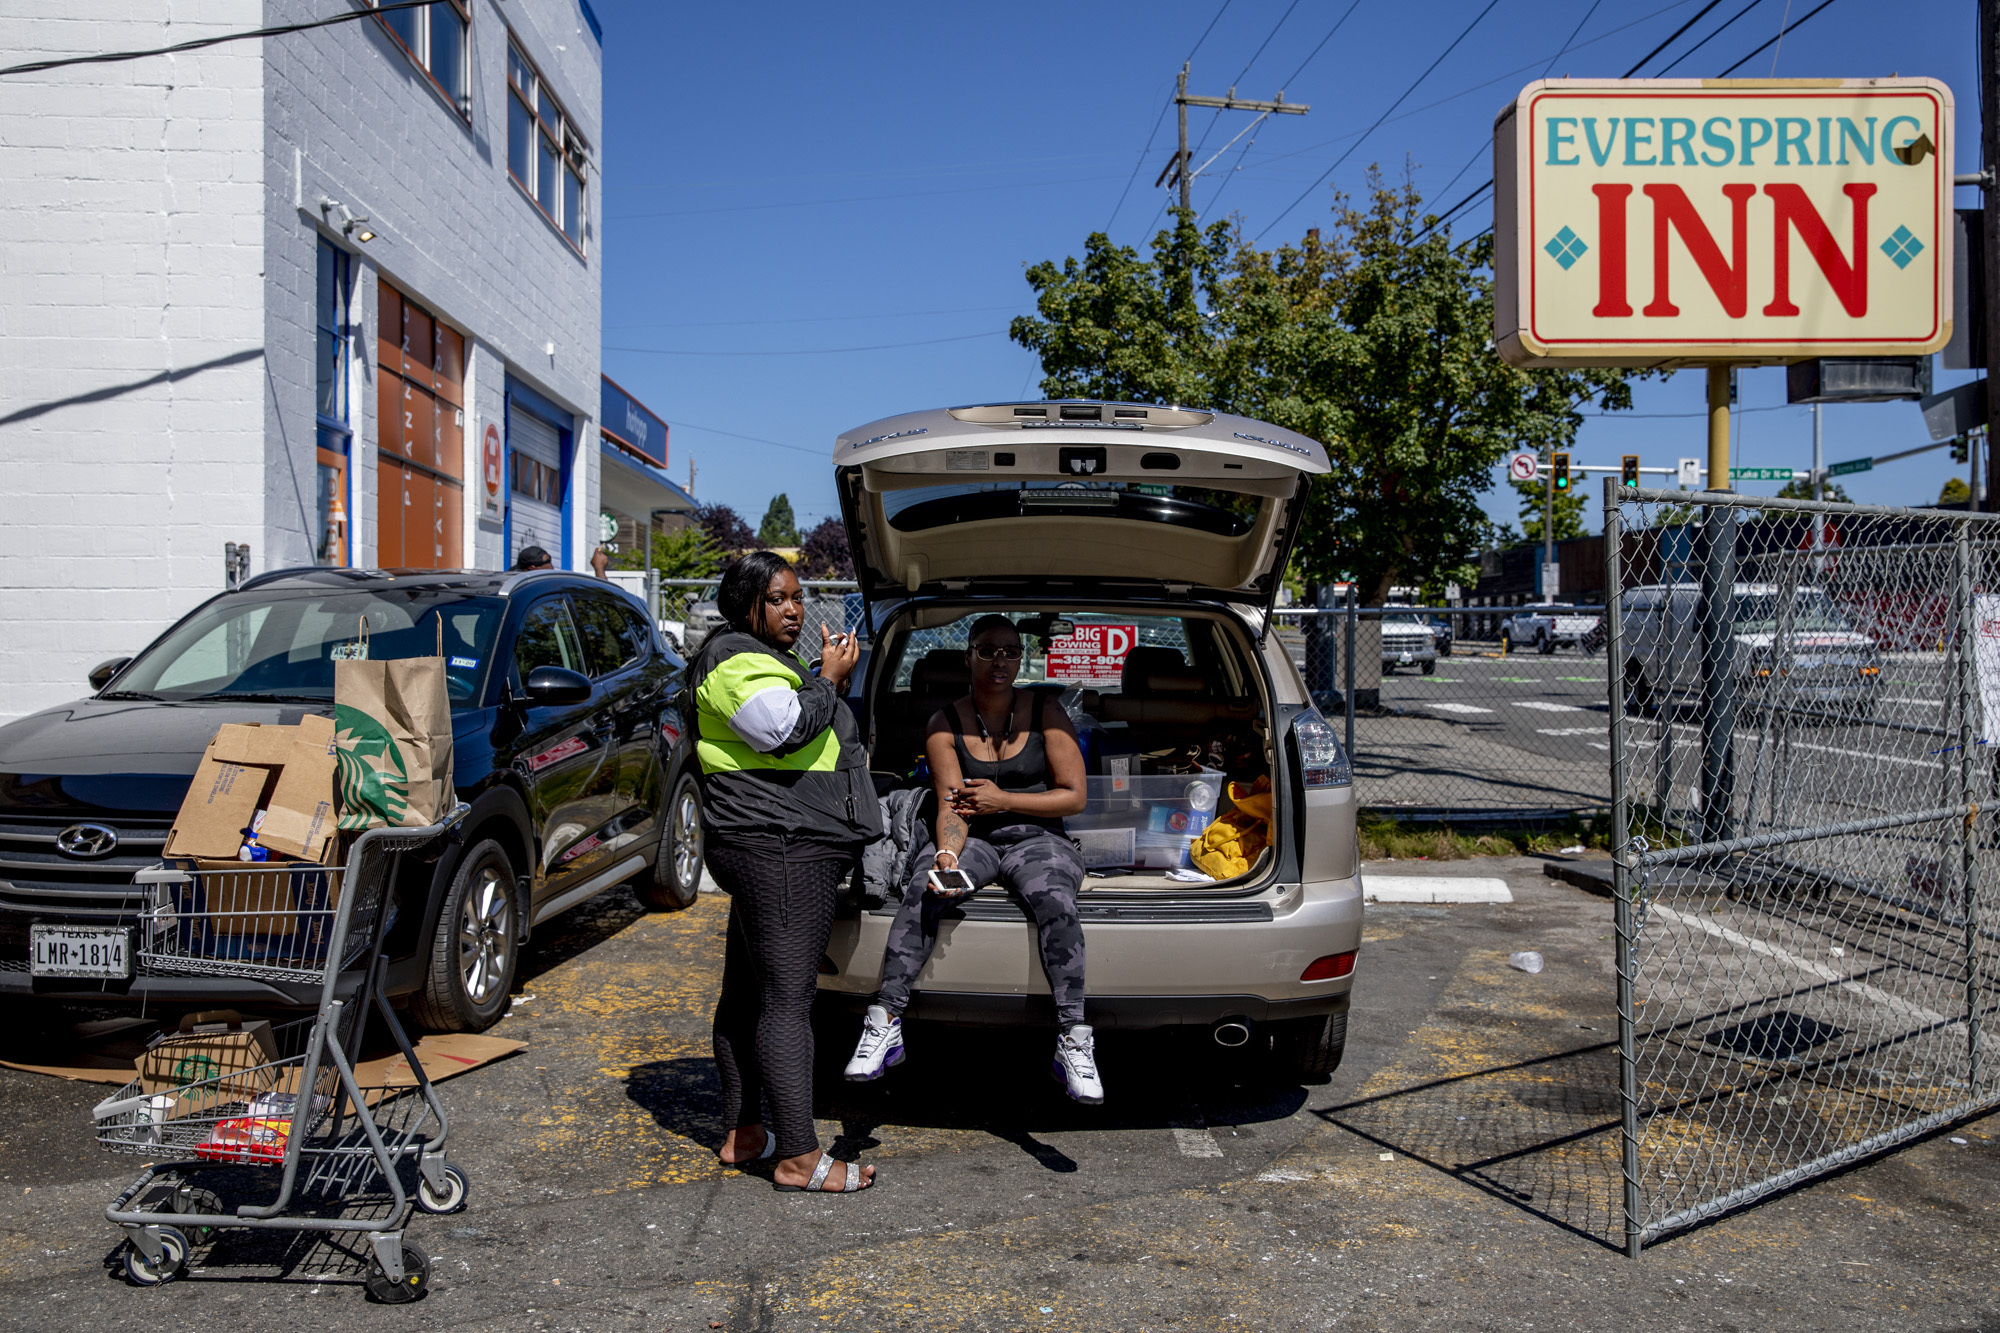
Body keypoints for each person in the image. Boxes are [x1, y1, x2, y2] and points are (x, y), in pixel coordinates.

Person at [844, 614, 1101, 1103]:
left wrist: (1005, 801)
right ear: (969, 657)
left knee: (1056, 900)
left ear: (1021, 659)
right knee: (925, 887)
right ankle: (885, 1022)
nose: (999, 660)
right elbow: (950, 805)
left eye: (1009, 651)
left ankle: (1073, 1037)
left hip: (1038, 837)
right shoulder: (945, 722)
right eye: (987, 650)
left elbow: (1074, 797)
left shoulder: (1047, 711)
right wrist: (945, 855)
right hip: (975, 838)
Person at [690, 551, 883, 1192]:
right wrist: (828, 679)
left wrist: (819, 676)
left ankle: (747, 1131)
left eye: (798, 597)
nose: (795, 608)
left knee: (749, 993)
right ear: (745, 602)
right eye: (778, 598)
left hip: (776, 842)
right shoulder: (735, 657)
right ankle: (800, 1157)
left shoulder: (764, 659)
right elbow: (786, 731)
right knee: (786, 1004)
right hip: (778, 845)